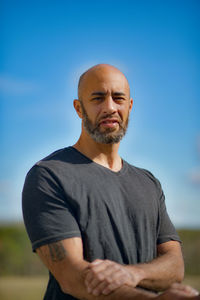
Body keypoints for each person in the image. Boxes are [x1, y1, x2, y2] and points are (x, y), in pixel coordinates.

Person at [22, 64, 199, 300]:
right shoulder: (49, 175)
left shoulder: (148, 183)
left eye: (118, 98)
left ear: (130, 106)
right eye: (97, 98)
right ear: (79, 108)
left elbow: (175, 267)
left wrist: (131, 273)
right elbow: (72, 277)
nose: (110, 107)